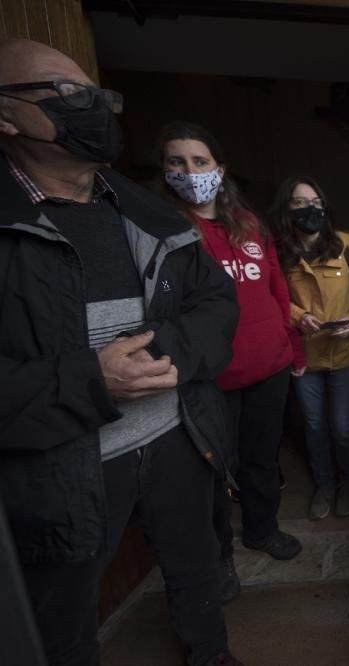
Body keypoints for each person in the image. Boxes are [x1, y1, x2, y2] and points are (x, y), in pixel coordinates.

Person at [0, 39, 242, 666]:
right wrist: (91, 381)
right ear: (6, 114)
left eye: (98, 96)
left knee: (197, 572)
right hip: (64, 466)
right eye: (67, 94)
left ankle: (210, 656)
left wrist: (169, 353)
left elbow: (216, 303)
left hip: (176, 437)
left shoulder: (149, 212)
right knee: (61, 616)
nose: (94, 109)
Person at [157, 121, 304, 603]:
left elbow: (275, 288)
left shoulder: (249, 222)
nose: (190, 171)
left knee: (262, 460)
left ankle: (263, 529)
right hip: (208, 378)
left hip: (269, 368)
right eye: (177, 162)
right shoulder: (166, 229)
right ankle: (218, 557)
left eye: (200, 162)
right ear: (164, 170)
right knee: (212, 472)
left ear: (219, 169)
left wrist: (290, 344)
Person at [269, 176, 349, 520]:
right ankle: (324, 486)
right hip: (305, 356)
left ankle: (348, 484)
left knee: (342, 426)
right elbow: (274, 297)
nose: (310, 209)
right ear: (287, 209)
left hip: (345, 352)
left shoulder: (347, 246)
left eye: (315, 202)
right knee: (314, 427)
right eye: (300, 203)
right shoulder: (279, 252)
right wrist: (299, 316)